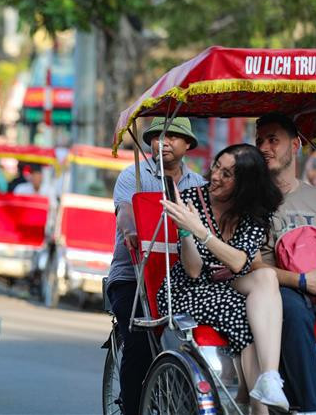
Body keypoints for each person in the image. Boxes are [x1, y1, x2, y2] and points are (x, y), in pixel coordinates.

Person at [160, 143, 286, 413]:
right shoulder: (191, 199)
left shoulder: (255, 213)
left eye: (227, 174)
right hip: (189, 287)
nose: (216, 176)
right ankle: (258, 407)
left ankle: (270, 378)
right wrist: (188, 231)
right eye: (217, 166)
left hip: (230, 280)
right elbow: (193, 270)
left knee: (266, 277)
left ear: (245, 184)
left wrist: (203, 232)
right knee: (245, 316)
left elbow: (240, 262)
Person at [104, 117, 205, 414]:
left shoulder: (198, 185)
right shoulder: (132, 175)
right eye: (159, 136)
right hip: (132, 277)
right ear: (150, 142)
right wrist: (130, 230)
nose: (166, 142)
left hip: (182, 277)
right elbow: (123, 211)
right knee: (137, 343)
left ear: (188, 144)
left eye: (174, 136)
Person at [253, 112, 316, 412]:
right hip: (282, 288)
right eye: (259, 141)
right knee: (293, 311)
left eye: (273, 140)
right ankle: (312, 409)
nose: (264, 148)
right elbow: (251, 265)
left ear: (295, 145)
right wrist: (301, 281)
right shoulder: (253, 201)